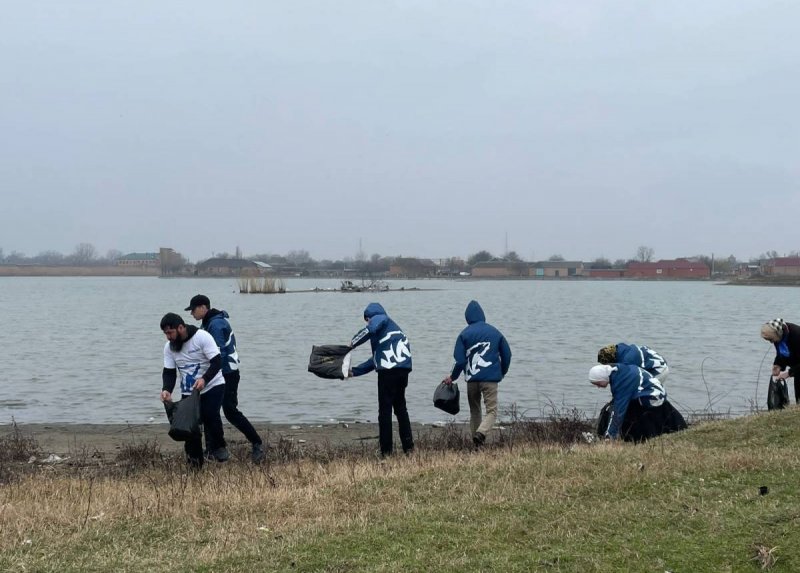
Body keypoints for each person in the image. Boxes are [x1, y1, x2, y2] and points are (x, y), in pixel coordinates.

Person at [186, 294, 265, 463]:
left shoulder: (216, 324)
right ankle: (212, 449)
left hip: (227, 373)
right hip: (218, 373)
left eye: (193, 310)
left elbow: (218, 354)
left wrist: (207, 376)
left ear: (202, 307)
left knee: (230, 411)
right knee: (210, 411)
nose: (192, 314)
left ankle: (256, 442)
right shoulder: (209, 323)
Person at [160, 312, 228, 466]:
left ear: (181, 327)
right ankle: (195, 462)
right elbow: (169, 372)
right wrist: (166, 389)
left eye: (170, 333)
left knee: (210, 415)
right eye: (165, 334)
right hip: (189, 391)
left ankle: (218, 447)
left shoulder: (202, 337)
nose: (168, 337)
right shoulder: (169, 347)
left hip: (213, 384)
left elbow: (217, 362)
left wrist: (204, 379)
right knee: (189, 428)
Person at [442, 300, 512, 447]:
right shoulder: (495, 332)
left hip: (472, 380)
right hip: (490, 379)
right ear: (483, 316)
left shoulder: (464, 334)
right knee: (492, 411)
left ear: (467, 318)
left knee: (475, 411)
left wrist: (452, 377)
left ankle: (477, 445)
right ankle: (481, 433)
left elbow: (460, 361)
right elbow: (507, 355)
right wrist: (502, 371)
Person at [348, 302, 414, 457]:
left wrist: (351, 344)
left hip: (388, 373)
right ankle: (409, 449)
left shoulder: (380, 318)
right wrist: (354, 372)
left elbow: (369, 329)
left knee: (384, 412)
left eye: (367, 319)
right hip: (403, 369)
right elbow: (376, 360)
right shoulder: (392, 330)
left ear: (371, 315)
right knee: (400, 409)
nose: (368, 322)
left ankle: (386, 452)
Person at [588, 363, 686, 442]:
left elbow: (619, 411)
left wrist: (610, 435)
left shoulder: (622, 381)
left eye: (597, 383)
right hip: (654, 395)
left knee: (614, 409)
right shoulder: (620, 371)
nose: (598, 387)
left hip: (651, 400)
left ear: (602, 377)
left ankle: (610, 438)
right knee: (612, 407)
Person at [760, 318, 800, 404]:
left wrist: (789, 373)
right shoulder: (779, 336)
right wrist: (778, 365)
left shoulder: (797, 335)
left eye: (771, 340)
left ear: (778, 334)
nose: (771, 342)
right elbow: (782, 353)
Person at [597, 343, 669, 381]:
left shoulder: (628, 360)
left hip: (658, 370)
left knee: (645, 392)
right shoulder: (621, 348)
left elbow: (629, 381)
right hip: (658, 362)